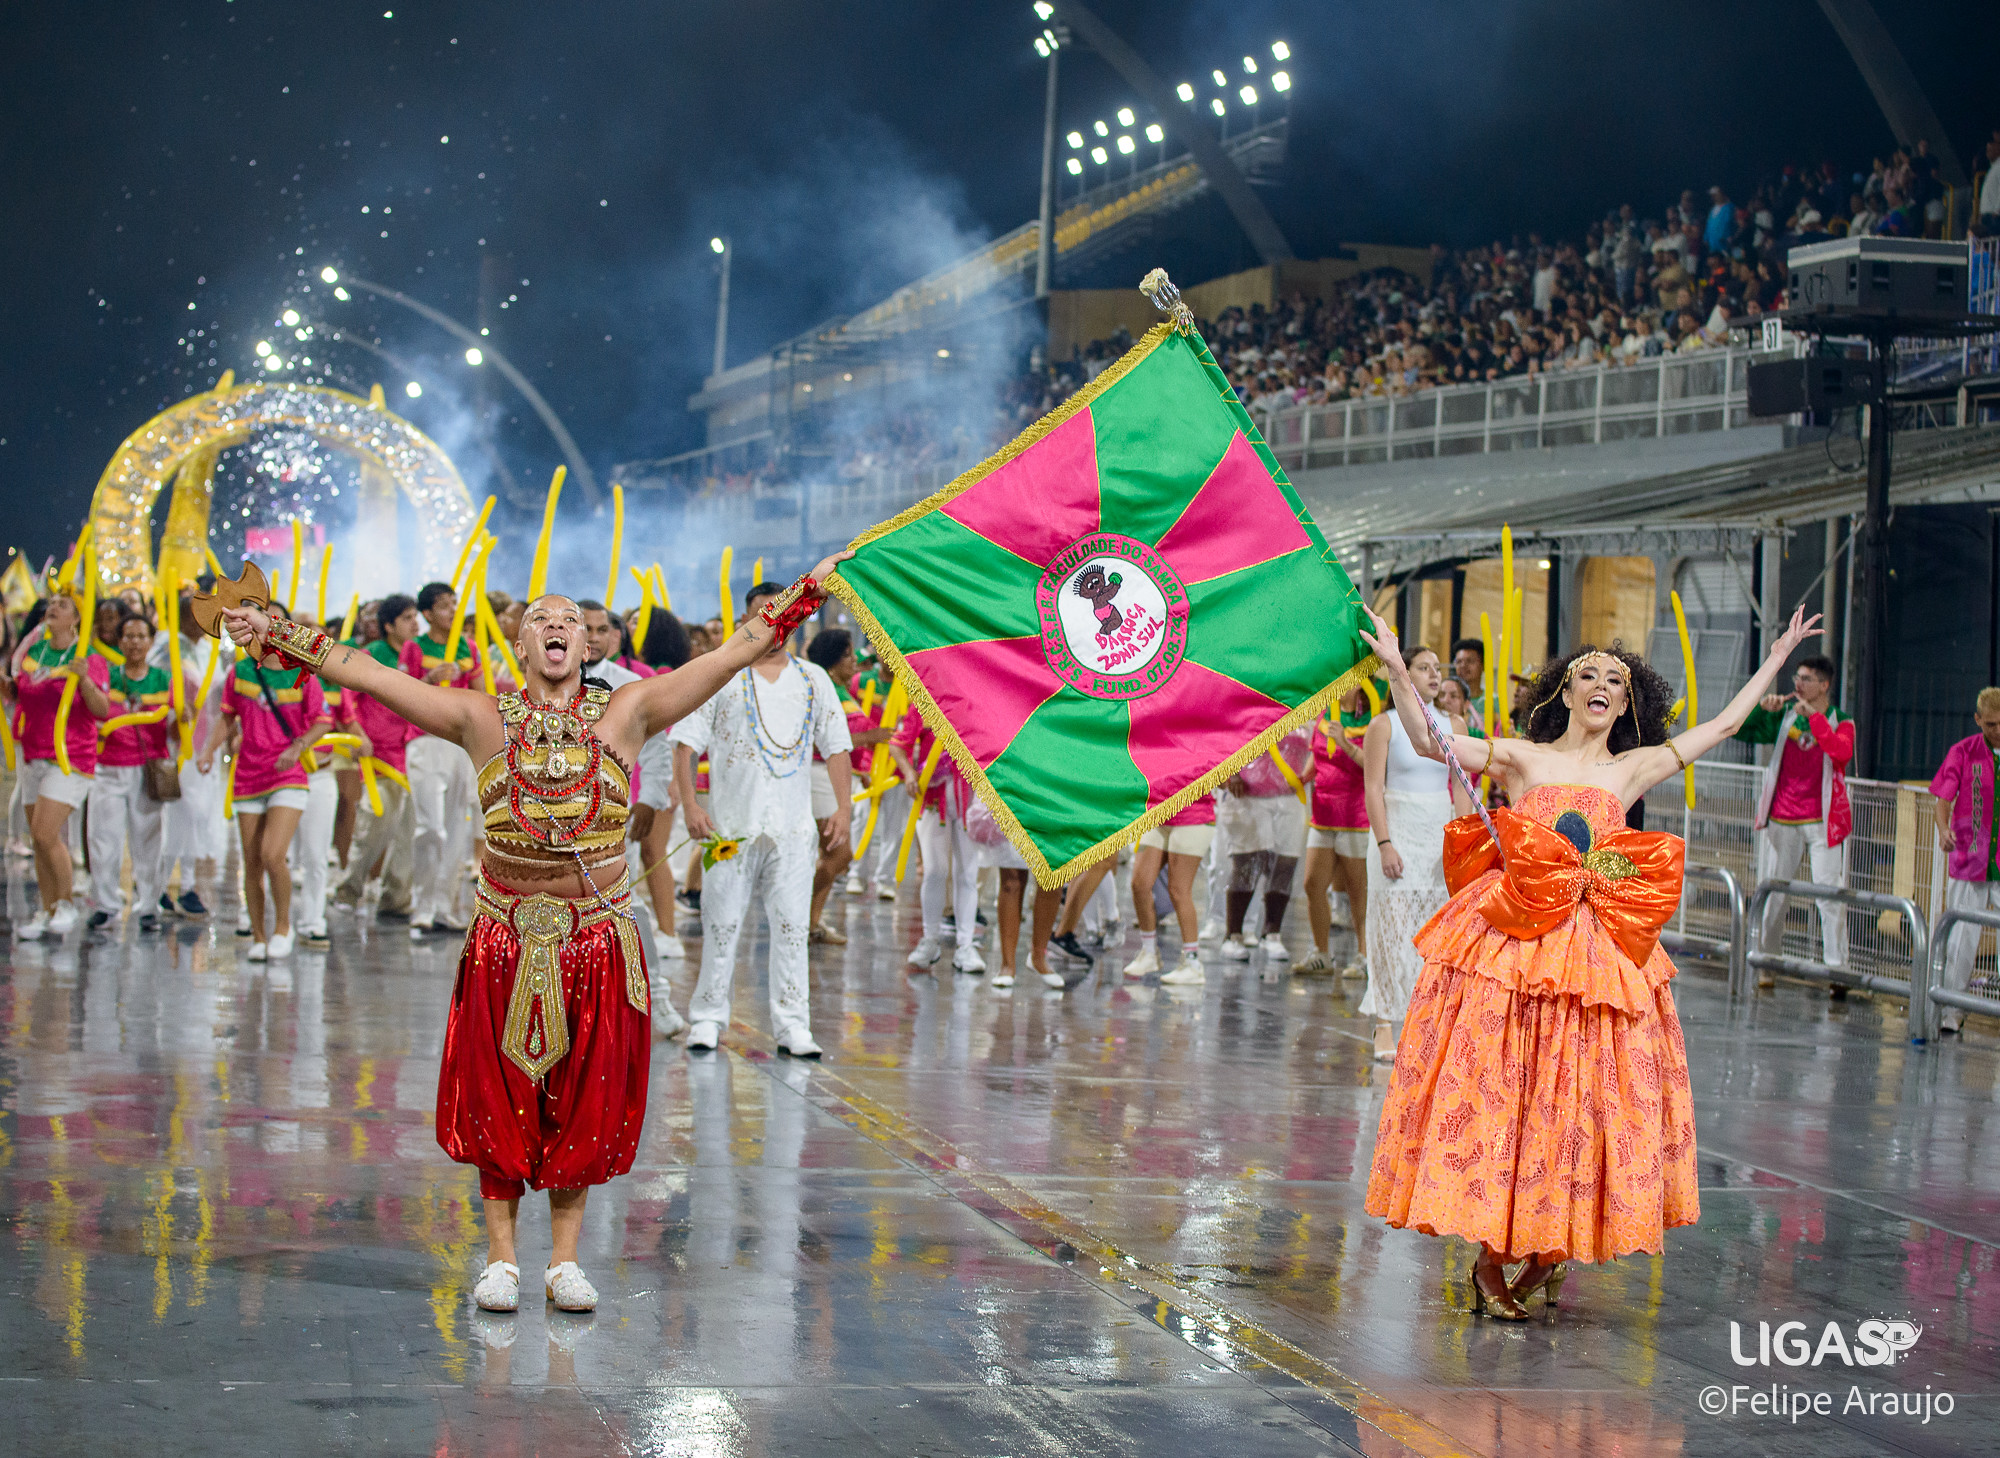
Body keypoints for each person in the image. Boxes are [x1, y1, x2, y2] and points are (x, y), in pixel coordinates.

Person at [220, 552, 849, 1316]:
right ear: (520, 646)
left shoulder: (632, 710)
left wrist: (811, 587)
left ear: (588, 648)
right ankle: (501, 1260)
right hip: (504, 936)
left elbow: (735, 650)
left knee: (584, 1098)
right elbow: (367, 674)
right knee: (498, 1099)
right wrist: (275, 629)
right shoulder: (479, 717)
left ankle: (563, 1262)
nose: (556, 627)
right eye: (539, 621)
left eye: (570, 623)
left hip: (597, 938)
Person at [1359, 603, 1822, 1320]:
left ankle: (1547, 1252)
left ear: (1626, 702)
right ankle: (1490, 1260)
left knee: (1578, 1105)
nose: (1604, 683)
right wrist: (1395, 665)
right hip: (1512, 950)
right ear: (1567, 693)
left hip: (1594, 957)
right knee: (1504, 1100)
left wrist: (1781, 653)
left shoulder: (1634, 767)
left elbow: (1726, 725)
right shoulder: (1521, 755)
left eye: (1617, 679)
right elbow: (1427, 739)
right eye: (1589, 674)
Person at [672, 580, 856, 1055]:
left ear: (795, 622)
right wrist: (692, 805)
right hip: (731, 827)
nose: (771, 625)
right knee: (721, 923)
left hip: (793, 830)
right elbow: (686, 744)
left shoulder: (814, 679)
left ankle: (794, 1025)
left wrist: (843, 809)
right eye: (761, 616)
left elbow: (837, 747)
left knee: (793, 926)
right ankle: (708, 1017)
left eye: (781, 615)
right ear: (745, 622)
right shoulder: (718, 674)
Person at [211, 612, 331, 961]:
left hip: (287, 775)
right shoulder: (240, 672)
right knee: (251, 862)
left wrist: (298, 747)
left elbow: (323, 720)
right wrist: (207, 752)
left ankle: (283, 928)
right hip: (248, 775)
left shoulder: (303, 674)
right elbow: (227, 717)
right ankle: (260, 938)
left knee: (272, 853)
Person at [1734, 654, 1853, 992]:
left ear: (1825, 685)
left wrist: (1814, 718)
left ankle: (1838, 973)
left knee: (1829, 896)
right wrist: (1763, 709)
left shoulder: (1842, 720)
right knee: (1774, 895)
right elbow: (1740, 732)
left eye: (1807, 678)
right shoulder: (1783, 715)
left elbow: (1840, 752)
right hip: (1782, 820)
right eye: (1797, 677)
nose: (1798, 684)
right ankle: (1766, 963)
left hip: (1822, 823)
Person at [1360, 646, 1456, 1061]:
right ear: (1404, 673)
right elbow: (1373, 789)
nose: (1434, 675)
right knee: (1389, 931)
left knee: (1430, 936)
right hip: (1397, 831)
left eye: (1437, 669)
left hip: (1436, 832)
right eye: (1424, 667)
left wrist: (1461, 843)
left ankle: (1420, 1020)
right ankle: (1384, 1021)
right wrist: (1384, 843)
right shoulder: (1385, 725)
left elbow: (1461, 790)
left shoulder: (1455, 723)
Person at [10, 594, 113, 938]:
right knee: (39, 840)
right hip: (32, 755)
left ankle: (66, 903)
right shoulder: (33, 653)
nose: (53, 608)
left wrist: (83, 679)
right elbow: (21, 695)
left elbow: (101, 709)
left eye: (63, 605)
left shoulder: (90, 659)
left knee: (44, 832)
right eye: (51, 603)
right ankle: (47, 907)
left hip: (70, 758)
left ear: (77, 618)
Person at [85, 613, 176, 931]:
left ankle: (149, 905)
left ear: (151, 642)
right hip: (108, 768)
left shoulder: (165, 679)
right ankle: (107, 905)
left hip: (146, 771)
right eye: (128, 636)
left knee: (148, 840)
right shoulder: (106, 677)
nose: (135, 642)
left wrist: (185, 716)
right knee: (103, 840)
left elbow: (176, 730)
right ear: (119, 641)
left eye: (141, 636)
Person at [402, 582, 483, 938]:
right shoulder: (415, 647)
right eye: (444, 606)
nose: (452, 611)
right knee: (430, 826)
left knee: (459, 827)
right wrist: (428, 680)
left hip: (459, 745)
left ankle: (446, 907)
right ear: (428, 613)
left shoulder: (469, 647)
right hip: (424, 742)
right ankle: (421, 905)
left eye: (455, 604)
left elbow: (481, 696)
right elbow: (402, 692)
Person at [332, 596, 419, 921]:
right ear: (389, 625)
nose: (416, 624)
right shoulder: (371, 657)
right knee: (374, 826)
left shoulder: (417, 654)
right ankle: (348, 890)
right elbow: (347, 698)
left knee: (410, 828)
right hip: (378, 758)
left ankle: (395, 899)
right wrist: (359, 734)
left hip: (411, 752)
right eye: (408, 617)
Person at [803, 629, 887, 945]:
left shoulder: (837, 688)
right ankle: (801, 915)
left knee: (835, 855)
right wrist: (870, 737)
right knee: (839, 855)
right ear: (835, 659)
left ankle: (809, 920)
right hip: (819, 777)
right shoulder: (825, 690)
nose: (855, 661)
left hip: (833, 777)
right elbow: (823, 740)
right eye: (850, 655)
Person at [888, 709, 984, 974]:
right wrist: (908, 773)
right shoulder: (924, 701)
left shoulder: (976, 701)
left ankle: (966, 945)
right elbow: (898, 743)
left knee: (967, 873)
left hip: (971, 799)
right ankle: (930, 940)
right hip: (931, 799)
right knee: (934, 871)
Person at [1928, 687, 2000, 1035]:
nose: (1998, 731)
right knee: (1961, 940)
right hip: (1970, 858)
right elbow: (1942, 798)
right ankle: (1950, 1013)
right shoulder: (1963, 752)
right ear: (1977, 720)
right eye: (1990, 724)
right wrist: (1943, 830)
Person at [1216, 728, 1310, 968]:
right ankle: (1233, 934)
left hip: (1289, 795)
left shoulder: (1305, 705)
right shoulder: (1251, 700)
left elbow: (1317, 746)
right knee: (1246, 864)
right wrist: (1230, 773)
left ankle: (1272, 933)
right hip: (1249, 795)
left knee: (1285, 864)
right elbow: (1223, 740)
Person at [1297, 689, 1371, 978]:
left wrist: (1345, 744)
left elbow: (1376, 764)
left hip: (1357, 816)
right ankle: (1321, 953)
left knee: (1358, 891)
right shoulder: (1322, 713)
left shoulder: (1372, 714)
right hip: (1323, 813)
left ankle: (1364, 955)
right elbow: (1316, 756)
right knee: (1312, 884)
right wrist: (1301, 777)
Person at [1120, 795, 1213, 985]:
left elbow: (1223, 779)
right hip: (1158, 811)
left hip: (1193, 814)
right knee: (1139, 883)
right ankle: (1148, 952)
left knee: (1179, 890)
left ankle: (1192, 963)